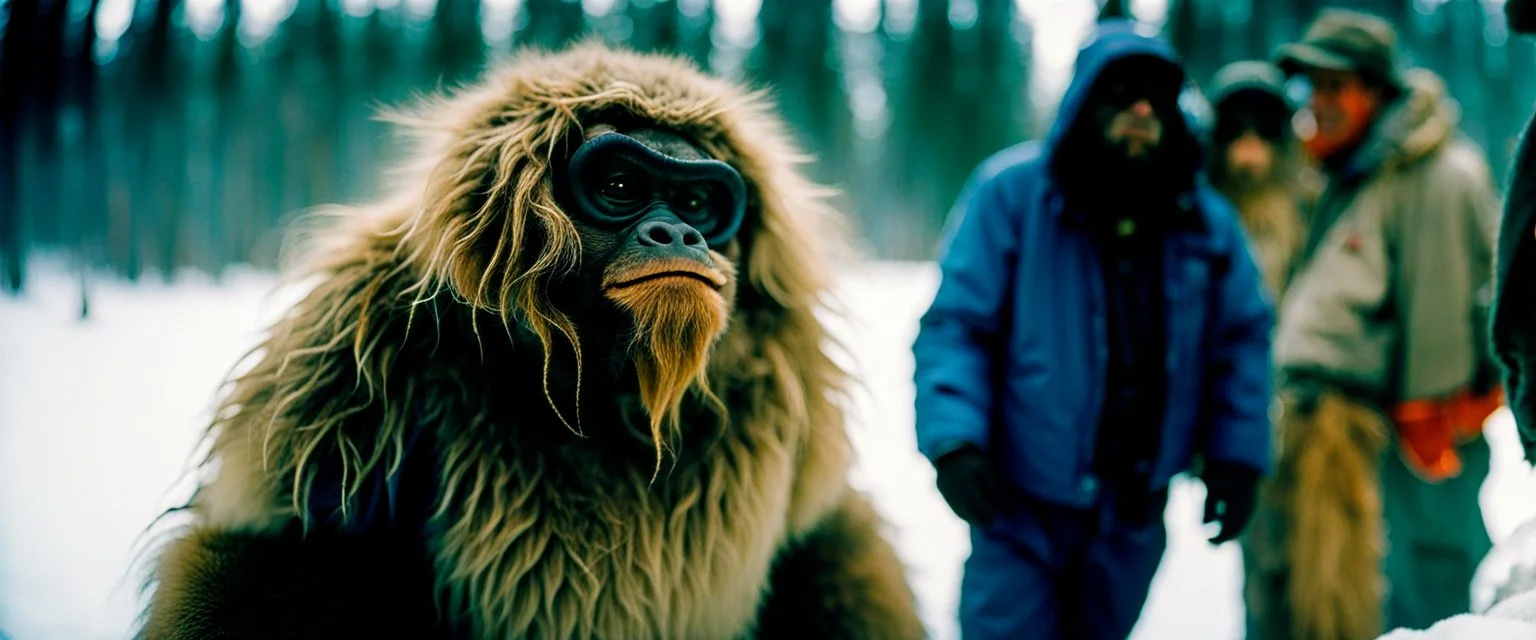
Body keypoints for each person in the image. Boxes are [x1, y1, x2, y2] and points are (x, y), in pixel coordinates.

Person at [910, 20, 1275, 640]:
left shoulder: (1204, 223)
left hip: (1133, 513)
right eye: (1121, 93)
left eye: (1155, 99)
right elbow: (958, 327)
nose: (1139, 110)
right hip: (1019, 503)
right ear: (1084, 103)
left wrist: (1236, 456)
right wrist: (956, 443)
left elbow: (1239, 341)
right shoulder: (1013, 197)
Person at [1265, 8, 1502, 638]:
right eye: (1310, 87)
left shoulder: (1435, 173)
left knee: (1430, 591)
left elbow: (1445, 304)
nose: (1317, 102)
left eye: (1334, 86)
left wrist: (1432, 414)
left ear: (1376, 90)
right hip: (1349, 436)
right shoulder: (1351, 171)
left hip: (1417, 437)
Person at [1201, 59, 1321, 640]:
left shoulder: (1311, 206)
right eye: (1236, 132)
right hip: (1247, 421)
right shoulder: (1204, 217)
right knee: (1263, 565)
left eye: (1262, 132)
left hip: (1313, 414)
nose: (1249, 150)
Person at [1205, 60, 1315, 300]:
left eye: (1266, 128)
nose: (1250, 141)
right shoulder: (1199, 213)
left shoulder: (1309, 208)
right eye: (1235, 128)